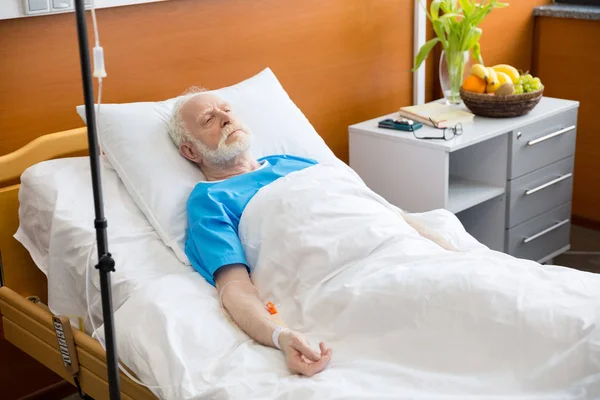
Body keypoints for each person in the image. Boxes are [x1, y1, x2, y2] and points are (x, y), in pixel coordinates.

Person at [166, 89, 333, 377]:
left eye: (227, 110)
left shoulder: (291, 162)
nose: (225, 119)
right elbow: (234, 288)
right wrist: (280, 336)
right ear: (190, 152)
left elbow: (377, 210)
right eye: (209, 119)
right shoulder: (210, 201)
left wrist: (437, 244)